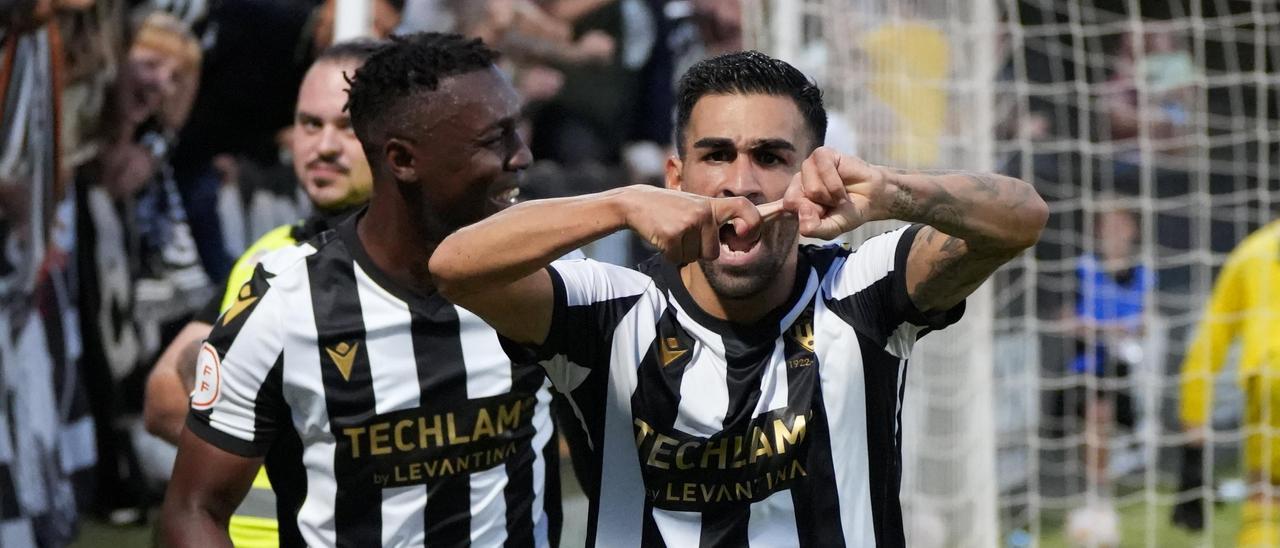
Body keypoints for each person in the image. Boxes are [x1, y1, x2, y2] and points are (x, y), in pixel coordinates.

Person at [430, 50, 1047, 545]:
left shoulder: (860, 289)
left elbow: (1021, 218)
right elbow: (455, 267)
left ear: (811, 175)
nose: (741, 183)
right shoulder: (611, 308)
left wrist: (891, 191)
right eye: (716, 154)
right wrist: (620, 204)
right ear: (676, 179)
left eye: (771, 157)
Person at [160, 33, 561, 547]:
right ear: (403, 160)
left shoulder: (549, 283)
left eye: (518, 131)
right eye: (493, 139)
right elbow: (192, 506)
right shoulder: (285, 299)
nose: (522, 156)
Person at [144, 38, 381, 547]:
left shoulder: (421, 265)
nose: (324, 146)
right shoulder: (268, 256)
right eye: (310, 124)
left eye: (347, 127)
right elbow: (163, 396)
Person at [1173, 220, 1280, 547]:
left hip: (1269, 374)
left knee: (1267, 492)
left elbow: (1210, 341)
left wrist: (1193, 424)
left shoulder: (1253, 250)